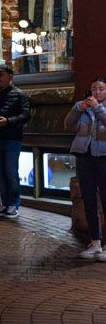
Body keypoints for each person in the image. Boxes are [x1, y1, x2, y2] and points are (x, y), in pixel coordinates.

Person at [0, 63, 30, 218]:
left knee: (10, 172)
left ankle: (14, 205)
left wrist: (8, 121)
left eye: (1, 75)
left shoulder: (20, 94)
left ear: (10, 76)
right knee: (0, 173)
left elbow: (26, 115)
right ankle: (5, 204)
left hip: (12, 139)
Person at [65, 77, 106, 259]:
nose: (96, 93)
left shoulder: (100, 108)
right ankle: (95, 242)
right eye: (93, 89)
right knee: (89, 200)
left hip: (103, 158)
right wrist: (76, 109)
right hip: (84, 157)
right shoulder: (82, 108)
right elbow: (68, 125)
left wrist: (98, 108)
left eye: (101, 89)